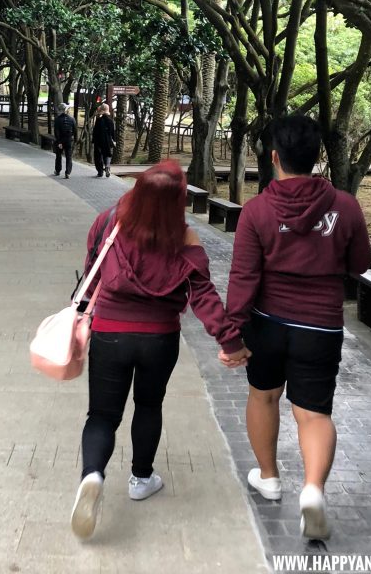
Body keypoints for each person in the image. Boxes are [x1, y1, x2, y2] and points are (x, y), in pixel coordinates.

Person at [217, 114, 371, 541]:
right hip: (321, 327)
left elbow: (243, 278)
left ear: (274, 157)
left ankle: (268, 477)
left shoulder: (257, 211)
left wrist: (232, 336)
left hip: (267, 324)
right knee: (313, 412)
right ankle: (313, 491)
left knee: (263, 397)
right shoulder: (345, 207)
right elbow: (360, 265)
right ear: (317, 156)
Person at [69, 160, 233, 540]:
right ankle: (141, 478)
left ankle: (92, 474)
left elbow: (93, 268)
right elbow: (203, 295)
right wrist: (230, 340)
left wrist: (91, 309)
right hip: (160, 337)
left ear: (139, 190)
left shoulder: (109, 222)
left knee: (102, 416)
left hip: (110, 332)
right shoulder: (186, 238)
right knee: (148, 404)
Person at [91, 103, 116, 177]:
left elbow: (95, 131)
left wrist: (93, 140)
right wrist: (114, 140)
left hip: (98, 140)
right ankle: (107, 166)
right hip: (107, 140)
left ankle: (100, 172)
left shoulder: (99, 121)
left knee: (98, 156)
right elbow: (112, 132)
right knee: (107, 154)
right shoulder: (110, 121)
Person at [53, 103, 77, 179]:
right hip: (69, 140)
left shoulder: (57, 119)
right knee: (69, 156)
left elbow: (56, 132)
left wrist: (59, 142)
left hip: (60, 140)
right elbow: (75, 131)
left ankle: (57, 170)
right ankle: (68, 172)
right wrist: (73, 138)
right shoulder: (72, 119)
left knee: (58, 156)